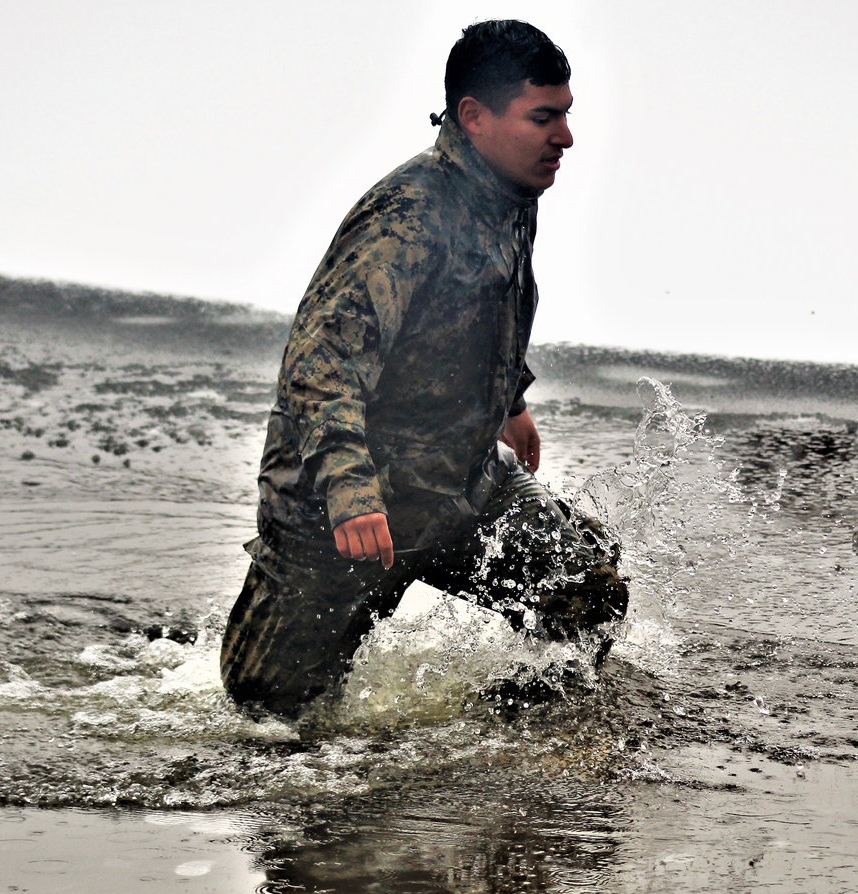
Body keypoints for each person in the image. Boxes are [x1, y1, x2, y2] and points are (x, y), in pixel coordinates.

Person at [221, 19, 628, 718]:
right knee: (270, 717)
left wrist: (510, 399)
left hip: (456, 487)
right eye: (543, 118)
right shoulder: (407, 215)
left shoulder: (510, 195)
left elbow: (475, 308)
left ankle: (500, 742)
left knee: (585, 589)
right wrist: (350, 489)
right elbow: (322, 363)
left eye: (565, 115)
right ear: (474, 118)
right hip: (342, 514)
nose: (565, 138)